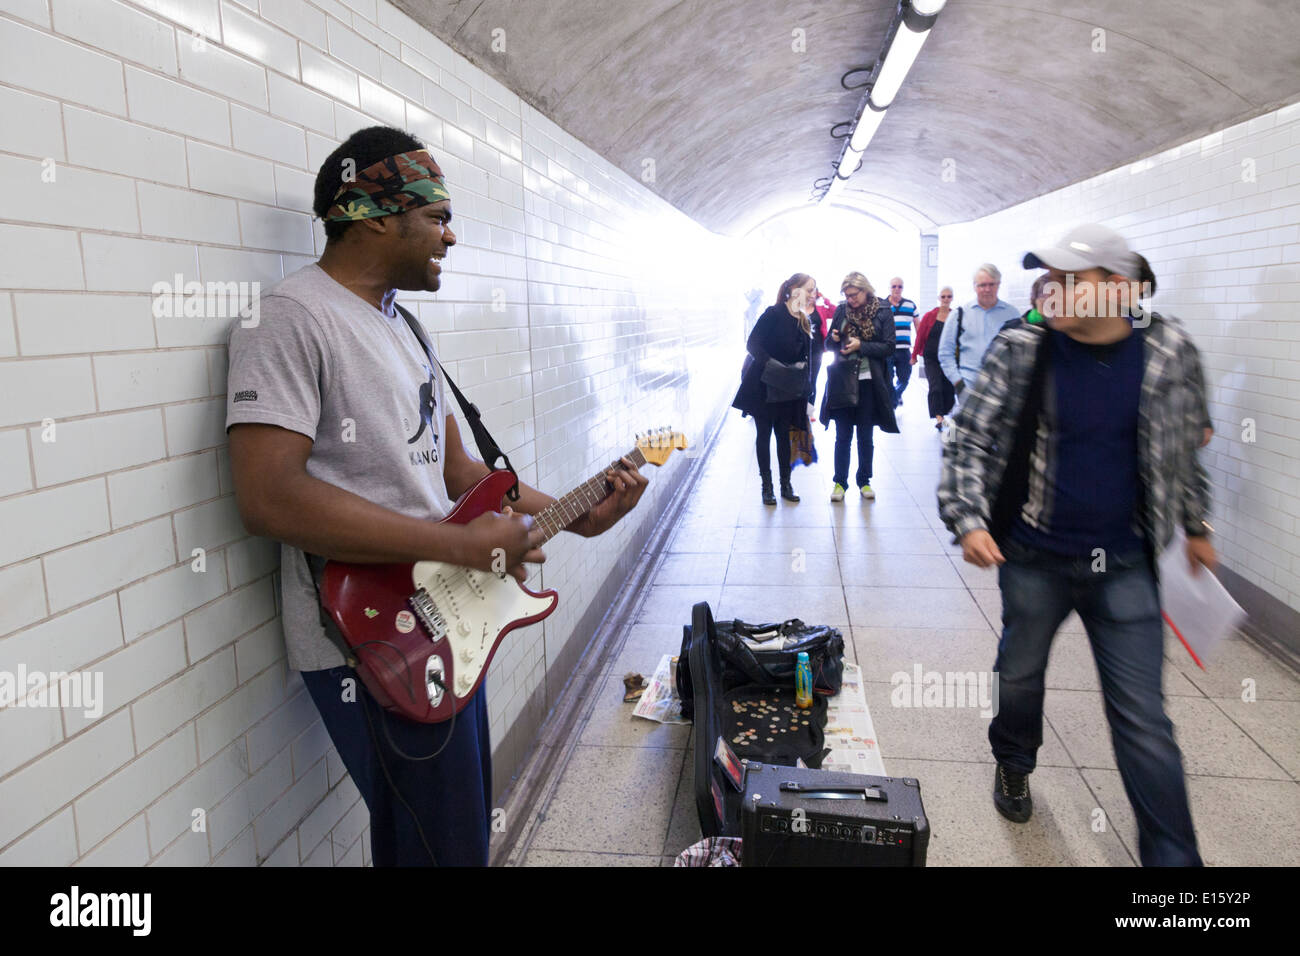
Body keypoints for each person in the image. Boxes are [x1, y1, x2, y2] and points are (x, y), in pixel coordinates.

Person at [225, 126, 648, 867]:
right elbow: (269, 497)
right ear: (377, 215)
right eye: (438, 217)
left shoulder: (404, 324)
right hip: (366, 635)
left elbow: (454, 468)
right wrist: (456, 544)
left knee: (453, 842)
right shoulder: (290, 318)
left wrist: (577, 516)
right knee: (439, 851)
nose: (450, 238)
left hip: (446, 615)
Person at [938, 223, 1214, 866]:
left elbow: (1180, 452)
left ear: (1118, 289)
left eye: (1067, 281)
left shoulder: (1171, 352)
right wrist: (969, 518)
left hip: (1126, 566)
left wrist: (1196, 527)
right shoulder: (1022, 350)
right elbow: (969, 438)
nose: (1050, 292)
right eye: (1047, 279)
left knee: (1145, 722)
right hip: (1033, 557)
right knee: (1020, 674)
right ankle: (1013, 759)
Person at [733, 273, 816, 505]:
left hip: (789, 389)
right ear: (793, 290)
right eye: (808, 289)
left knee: (783, 437)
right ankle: (766, 486)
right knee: (764, 435)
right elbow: (752, 343)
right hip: (764, 386)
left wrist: (805, 387)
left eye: (813, 290)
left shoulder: (803, 319)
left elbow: (807, 357)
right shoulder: (773, 313)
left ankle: (785, 484)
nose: (812, 295)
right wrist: (770, 363)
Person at [819, 272, 899, 501]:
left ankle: (864, 481)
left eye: (854, 295)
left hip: (869, 383)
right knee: (842, 435)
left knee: (865, 435)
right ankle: (839, 483)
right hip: (843, 381)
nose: (850, 299)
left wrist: (861, 345)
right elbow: (828, 344)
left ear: (866, 290)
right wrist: (834, 340)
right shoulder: (841, 310)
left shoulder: (883, 311)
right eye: (847, 295)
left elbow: (889, 347)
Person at [936, 263, 1021, 396]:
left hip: (1004, 392)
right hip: (970, 389)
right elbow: (945, 352)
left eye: (991, 284)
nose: (987, 289)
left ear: (999, 284)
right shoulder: (959, 315)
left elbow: (1020, 353)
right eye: (982, 285)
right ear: (974, 286)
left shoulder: (1013, 314)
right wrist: (958, 383)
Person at [911, 286, 957, 430]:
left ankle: (946, 413)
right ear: (939, 298)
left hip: (948, 359)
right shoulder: (930, 316)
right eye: (943, 297)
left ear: (952, 298)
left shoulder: (955, 316)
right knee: (935, 386)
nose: (946, 299)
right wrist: (914, 355)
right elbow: (920, 336)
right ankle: (939, 418)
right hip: (931, 357)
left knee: (948, 388)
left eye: (949, 297)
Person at [885, 277, 918, 408]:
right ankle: (893, 403)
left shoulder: (910, 305)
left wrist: (917, 351)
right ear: (890, 288)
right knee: (887, 378)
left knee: (904, 379)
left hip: (904, 350)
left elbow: (918, 327)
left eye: (900, 286)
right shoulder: (882, 305)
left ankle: (896, 395)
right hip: (887, 349)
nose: (897, 289)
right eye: (894, 286)